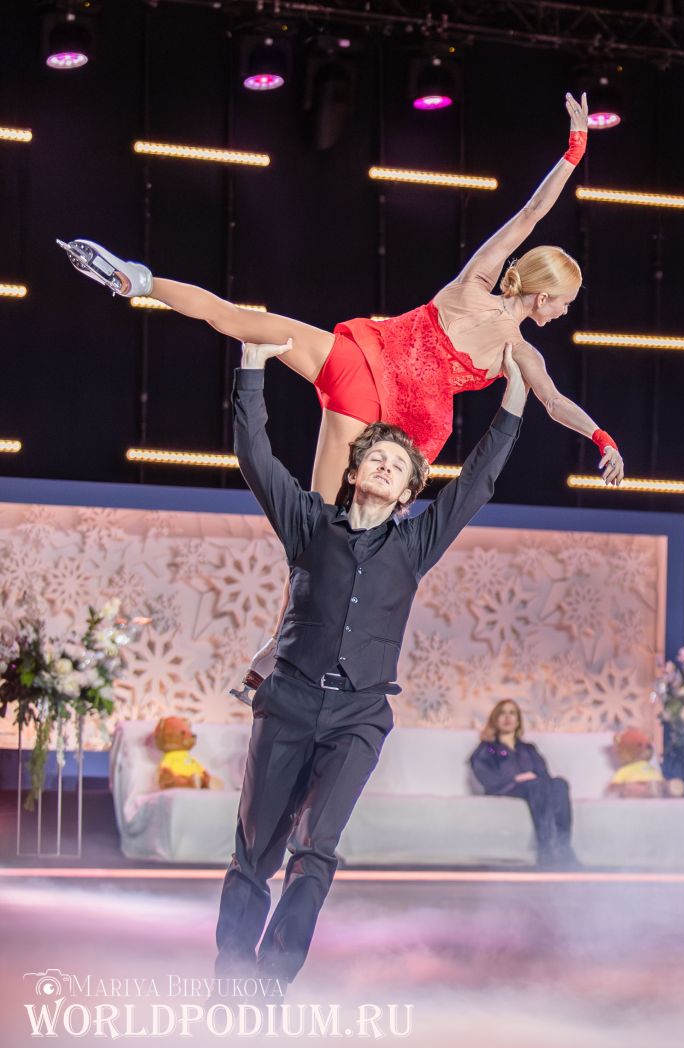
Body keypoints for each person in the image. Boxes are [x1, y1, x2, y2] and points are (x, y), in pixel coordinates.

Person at [59, 91, 622, 700]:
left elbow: (530, 216)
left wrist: (573, 152)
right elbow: (554, 400)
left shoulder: (477, 283)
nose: (564, 313)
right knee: (321, 539)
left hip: (356, 365)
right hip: (390, 424)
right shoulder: (517, 349)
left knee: (242, 323)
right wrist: (601, 438)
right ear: (544, 296)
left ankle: (138, 279)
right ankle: (274, 654)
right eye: (565, 303)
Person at [214, 337, 527, 991]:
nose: (385, 465)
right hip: (288, 700)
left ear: (409, 490)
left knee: (315, 847)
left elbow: (477, 481)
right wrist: (251, 367)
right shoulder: (308, 523)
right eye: (375, 457)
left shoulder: (415, 544)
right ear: (355, 472)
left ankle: (272, 979)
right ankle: (231, 974)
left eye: (397, 464)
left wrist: (515, 400)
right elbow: (254, 456)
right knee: (255, 851)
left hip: (359, 715)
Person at [469, 699, 580, 869]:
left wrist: (534, 778)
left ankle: (563, 847)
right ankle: (547, 850)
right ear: (495, 720)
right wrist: (516, 779)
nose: (507, 717)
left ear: (518, 720)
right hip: (507, 788)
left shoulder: (528, 748)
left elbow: (543, 774)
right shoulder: (489, 748)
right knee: (536, 785)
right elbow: (485, 775)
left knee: (559, 784)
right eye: (502, 713)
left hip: (534, 787)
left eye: (512, 713)